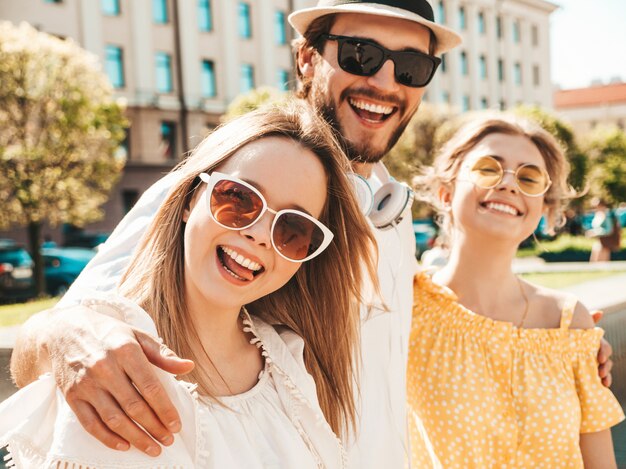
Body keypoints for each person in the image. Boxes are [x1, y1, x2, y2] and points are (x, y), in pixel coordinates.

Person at [8, 1, 613, 467]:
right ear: (306, 59)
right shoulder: (241, 181)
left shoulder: (394, 212)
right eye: (357, 54)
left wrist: (567, 340)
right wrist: (64, 331)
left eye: (410, 66)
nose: (383, 80)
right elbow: (71, 324)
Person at [1, 100, 379, 467]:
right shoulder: (107, 362)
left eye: (293, 229)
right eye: (238, 198)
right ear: (188, 199)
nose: (261, 235)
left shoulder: (291, 360)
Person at [408, 115, 624, 468]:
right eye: (488, 169)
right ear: (446, 193)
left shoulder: (569, 321)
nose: (510, 185)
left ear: (542, 208)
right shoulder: (405, 307)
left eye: (528, 177)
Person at [587, 197, 622, 262]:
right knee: (595, 260)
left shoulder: (607, 215)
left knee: (602, 262)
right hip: (600, 241)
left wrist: (595, 233)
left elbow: (609, 230)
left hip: (605, 241)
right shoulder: (598, 214)